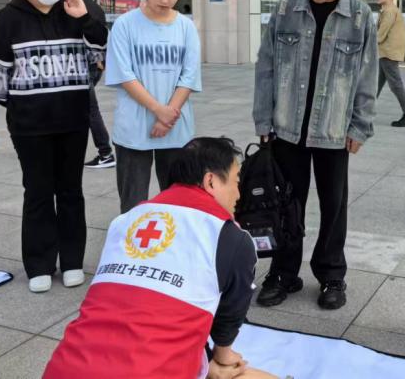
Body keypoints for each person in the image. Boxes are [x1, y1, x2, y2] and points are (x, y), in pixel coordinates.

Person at [43, 137, 275, 379]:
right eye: (236, 181)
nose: (238, 193)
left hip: (63, 369)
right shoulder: (229, 236)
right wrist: (223, 353)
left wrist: (205, 363)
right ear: (211, 181)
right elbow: (230, 311)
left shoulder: (125, 220)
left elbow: (138, 309)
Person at [253, 0, 377, 311]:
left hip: (334, 131)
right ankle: (283, 273)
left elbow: (367, 75)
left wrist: (360, 126)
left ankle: (331, 274)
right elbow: (266, 66)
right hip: (286, 128)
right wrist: (263, 118)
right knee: (286, 204)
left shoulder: (359, 15)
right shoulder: (286, 8)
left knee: (333, 206)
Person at [0, 0, 108, 294]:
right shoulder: (9, 18)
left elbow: (99, 57)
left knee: (70, 191)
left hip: (72, 121)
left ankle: (71, 261)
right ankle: (39, 263)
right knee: (37, 192)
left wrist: (85, 19)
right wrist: (27, 102)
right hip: (30, 126)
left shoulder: (76, 11)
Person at [105, 0, 201, 214]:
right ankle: (133, 239)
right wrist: (159, 110)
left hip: (175, 126)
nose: (165, 0)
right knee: (133, 201)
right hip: (134, 126)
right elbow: (125, 75)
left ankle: (172, 240)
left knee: (177, 199)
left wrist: (168, 115)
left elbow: (189, 76)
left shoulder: (186, 27)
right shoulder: (125, 25)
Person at [69, 0, 115, 170]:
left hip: (78, 67)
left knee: (89, 109)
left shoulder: (70, 6)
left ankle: (105, 153)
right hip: (95, 66)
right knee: (79, 108)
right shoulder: (96, 7)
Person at [375, 0, 405, 128]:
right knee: (375, 85)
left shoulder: (389, 11)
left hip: (388, 54)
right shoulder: (388, 10)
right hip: (385, 53)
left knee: (396, 85)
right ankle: (363, 113)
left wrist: (365, 43)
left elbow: (380, 35)